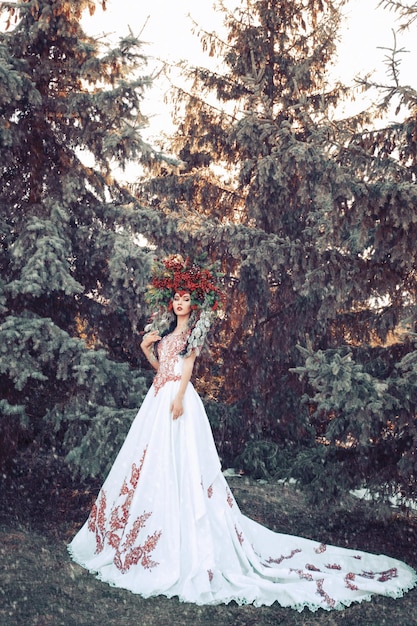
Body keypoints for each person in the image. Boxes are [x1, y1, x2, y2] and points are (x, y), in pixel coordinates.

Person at [68, 255, 416, 611]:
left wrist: (177, 400)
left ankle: (187, 535)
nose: (179, 302)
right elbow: (162, 368)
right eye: (176, 298)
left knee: (184, 464)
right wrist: (147, 351)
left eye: (186, 298)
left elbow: (186, 369)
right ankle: (150, 531)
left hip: (177, 400)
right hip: (157, 397)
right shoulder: (167, 332)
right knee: (149, 463)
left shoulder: (191, 333)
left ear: (194, 304)